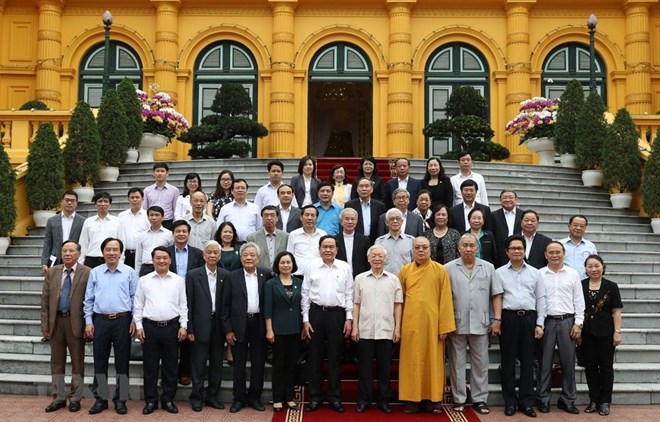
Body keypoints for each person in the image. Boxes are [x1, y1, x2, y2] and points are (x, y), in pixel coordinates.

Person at [445, 233, 503, 415]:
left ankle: (479, 399)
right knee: (457, 363)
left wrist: (497, 320)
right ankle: (459, 399)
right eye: (465, 246)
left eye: (472, 245)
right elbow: (444, 298)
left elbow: (496, 294)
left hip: (482, 322)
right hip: (457, 323)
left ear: (477, 248)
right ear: (459, 248)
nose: (468, 249)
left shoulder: (488, 267)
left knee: (481, 363)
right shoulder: (448, 268)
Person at [398, 236, 455, 414]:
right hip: (410, 324)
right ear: (412, 251)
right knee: (411, 362)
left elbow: (446, 298)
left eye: (424, 247)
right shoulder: (405, 271)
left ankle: (433, 400)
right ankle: (412, 400)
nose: (421, 250)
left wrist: (444, 327)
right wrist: (397, 326)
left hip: (432, 325)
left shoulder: (440, 270)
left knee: (433, 362)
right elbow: (399, 301)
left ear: (430, 250)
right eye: (417, 248)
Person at [83, 238, 137, 415]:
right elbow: (88, 299)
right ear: (103, 252)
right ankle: (101, 399)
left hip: (123, 321)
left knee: (122, 363)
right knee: (100, 362)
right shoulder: (95, 273)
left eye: (115, 249)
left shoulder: (129, 272)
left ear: (121, 253)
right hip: (101, 321)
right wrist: (89, 322)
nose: (112, 253)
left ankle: (121, 399)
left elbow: (135, 298)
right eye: (108, 249)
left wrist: (134, 320)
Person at [301, 236, 354, 413]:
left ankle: (334, 397)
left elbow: (349, 294)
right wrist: (305, 320)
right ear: (319, 249)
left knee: (335, 358)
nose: (328, 250)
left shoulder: (345, 267)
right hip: (316, 314)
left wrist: (349, 318)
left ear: (337, 249)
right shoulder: (311, 267)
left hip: (337, 316)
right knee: (315, 357)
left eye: (331, 247)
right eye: (325, 247)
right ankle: (315, 397)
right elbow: (305, 294)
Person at [496, 234, 546, 418]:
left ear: (525, 251)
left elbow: (541, 299)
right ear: (507, 252)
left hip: (529, 319)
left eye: (520, 248)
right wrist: (497, 320)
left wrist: (540, 323)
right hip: (508, 319)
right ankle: (510, 402)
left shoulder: (535, 273)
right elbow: (496, 299)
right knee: (508, 361)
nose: (517, 251)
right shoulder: (499, 272)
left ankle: (526, 401)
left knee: (527, 361)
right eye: (513, 248)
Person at [134, 246, 188, 415]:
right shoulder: (144, 280)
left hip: (172, 327)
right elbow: (138, 305)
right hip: (150, 328)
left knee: (171, 366)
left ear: (170, 260)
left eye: (165, 258)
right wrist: (139, 326)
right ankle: (150, 400)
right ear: (152, 260)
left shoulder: (178, 280)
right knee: (150, 367)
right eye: (158, 258)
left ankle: (168, 399)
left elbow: (183, 305)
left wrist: (183, 326)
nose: (162, 261)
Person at [351, 245, 403, 414]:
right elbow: (356, 305)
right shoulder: (360, 278)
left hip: (386, 330)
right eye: (374, 256)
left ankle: (384, 399)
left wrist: (397, 328)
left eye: (380, 256)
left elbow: (397, 306)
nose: (377, 258)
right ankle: (364, 399)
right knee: (365, 367)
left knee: (385, 367)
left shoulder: (393, 280)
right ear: (368, 259)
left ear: (385, 259)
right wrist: (354, 327)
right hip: (365, 329)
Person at [40, 240, 90, 413]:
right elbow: (45, 301)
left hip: (76, 323)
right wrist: (45, 324)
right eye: (64, 251)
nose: (67, 254)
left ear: (78, 254)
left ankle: (75, 397)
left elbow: (90, 300)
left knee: (77, 362)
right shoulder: (52, 272)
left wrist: (88, 324)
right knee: (56, 362)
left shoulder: (88, 273)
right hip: (56, 322)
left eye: (71, 251)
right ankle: (59, 397)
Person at [537, 241, 585, 415]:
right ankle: (543, 399)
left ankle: (568, 399)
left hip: (568, 321)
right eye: (551, 252)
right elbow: (539, 301)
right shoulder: (540, 274)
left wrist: (578, 323)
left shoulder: (573, 274)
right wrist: (539, 323)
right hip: (547, 321)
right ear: (545, 255)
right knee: (545, 363)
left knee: (568, 363)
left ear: (564, 253)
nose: (555, 255)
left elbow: (579, 301)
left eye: (558, 252)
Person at [222, 242, 270, 413]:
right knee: (239, 365)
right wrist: (228, 329)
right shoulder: (231, 277)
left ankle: (255, 398)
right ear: (240, 257)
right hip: (238, 325)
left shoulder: (266, 275)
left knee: (258, 364)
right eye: (245, 255)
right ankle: (239, 399)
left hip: (259, 324)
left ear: (258, 258)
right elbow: (225, 305)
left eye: (252, 255)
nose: (248, 258)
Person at [185, 240, 229, 412]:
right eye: (209, 252)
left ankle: (212, 397)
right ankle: (196, 397)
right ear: (203, 255)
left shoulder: (226, 275)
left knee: (217, 364)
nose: (212, 255)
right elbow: (187, 303)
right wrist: (189, 327)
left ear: (220, 255)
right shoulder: (193, 275)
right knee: (198, 363)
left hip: (219, 326)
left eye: (215, 253)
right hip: (199, 325)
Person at [580, 254, 623, 416]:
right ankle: (594, 400)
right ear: (585, 269)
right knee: (590, 367)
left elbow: (617, 310)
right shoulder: (581, 285)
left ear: (603, 266)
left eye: (597, 265)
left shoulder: (611, 286)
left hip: (606, 333)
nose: (594, 269)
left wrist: (617, 332)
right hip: (586, 333)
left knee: (606, 368)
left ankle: (605, 401)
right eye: (590, 266)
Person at [264, 251, 303, 413]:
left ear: (293, 265)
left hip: (295, 329)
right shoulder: (270, 284)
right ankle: (278, 398)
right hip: (278, 330)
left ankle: (290, 397)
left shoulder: (299, 282)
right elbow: (268, 308)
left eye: (288, 262)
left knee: (292, 365)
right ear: (277, 265)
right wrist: (269, 330)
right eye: (282, 263)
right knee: (279, 365)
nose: (286, 265)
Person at [166, 219, 204, 386]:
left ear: (189, 234)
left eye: (184, 231)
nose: (181, 234)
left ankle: (185, 372)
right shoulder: (165, 253)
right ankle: (170, 373)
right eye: (178, 231)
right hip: (170, 297)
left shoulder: (197, 253)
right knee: (171, 336)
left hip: (191, 297)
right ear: (173, 234)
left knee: (188, 334)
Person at [41, 191, 85, 273]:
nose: (69, 203)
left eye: (72, 201)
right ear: (61, 202)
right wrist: (44, 262)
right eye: (67, 200)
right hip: (56, 259)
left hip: (75, 259)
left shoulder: (83, 221)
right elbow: (47, 242)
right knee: (55, 284)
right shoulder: (52, 221)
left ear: (76, 203)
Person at [79, 192, 124, 268]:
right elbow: (83, 243)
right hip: (91, 259)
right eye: (100, 201)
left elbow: (122, 242)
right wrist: (80, 262)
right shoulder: (88, 222)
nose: (103, 204)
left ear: (110, 205)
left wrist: (121, 262)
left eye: (106, 201)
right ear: (95, 205)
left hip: (111, 259)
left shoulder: (117, 222)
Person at [286, 205, 326, 276]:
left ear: (317, 219)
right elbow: (290, 255)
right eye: (307, 215)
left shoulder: (322, 234)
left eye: (312, 215)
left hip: (318, 274)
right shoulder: (294, 234)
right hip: (298, 275)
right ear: (301, 218)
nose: (309, 218)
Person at [246, 205, 289, 272]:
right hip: (260, 275)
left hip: (280, 274)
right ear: (262, 218)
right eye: (266, 215)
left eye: (272, 215)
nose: (269, 218)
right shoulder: (252, 238)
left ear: (277, 218)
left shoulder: (286, 237)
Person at [345, 176, 387, 244]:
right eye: (361, 186)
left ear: (372, 189)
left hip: (375, 241)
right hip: (356, 241)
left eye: (367, 186)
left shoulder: (379, 206)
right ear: (357, 189)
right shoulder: (350, 205)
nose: (364, 189)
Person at [135, 206, 173, 276]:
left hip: (162, 266)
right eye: (151, 215)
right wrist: (137, 274)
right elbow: (138, 257)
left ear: (162, 217)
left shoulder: (169, 234)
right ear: (148, 217)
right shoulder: (142, 236)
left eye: (157, 215)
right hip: (146, 268)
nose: (154, 218)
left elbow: (171, 254)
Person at [117, 188, 149, 269]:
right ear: (128, 199)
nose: (135, 199)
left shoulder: (148, 215)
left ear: (143, 199)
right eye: (132, 197)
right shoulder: (121, 216)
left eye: (137, 197)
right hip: (126, 254)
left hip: (143, 253)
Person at [375, 208, 414, 274]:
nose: (395, 221)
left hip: (406, 280)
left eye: (398, 218)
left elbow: (415, 263)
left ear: (402, 221)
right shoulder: (380, 242)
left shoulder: (411, 241)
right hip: (386, 281)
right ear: (386, 222)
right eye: (392, 219)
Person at [334, 208, 370, 277]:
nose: (350, 222)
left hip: (359, 277)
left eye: (353, 219)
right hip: (339, 277)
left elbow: (367, 262)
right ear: (341, 221)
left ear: (356, 221)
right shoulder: (334, 240)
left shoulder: (364, 240)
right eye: (346, 219)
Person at [143, 162, 180, 230]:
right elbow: (145, 209)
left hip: (168, 223)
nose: (160, 173)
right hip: (151, 223)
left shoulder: (174, 190)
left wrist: (175, 225)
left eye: (162, 171)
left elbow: (176, 209)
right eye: (157, 171)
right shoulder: (147, 190)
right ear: (153, 173)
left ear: (167, 173)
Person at [492, 190, 523, 267]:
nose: (508, 200)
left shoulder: (523, 215)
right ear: (500, 200)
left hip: (519, 251)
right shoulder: (493, 215)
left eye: (511, 197)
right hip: (500, 253)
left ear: (516, 199)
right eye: (504, 198)